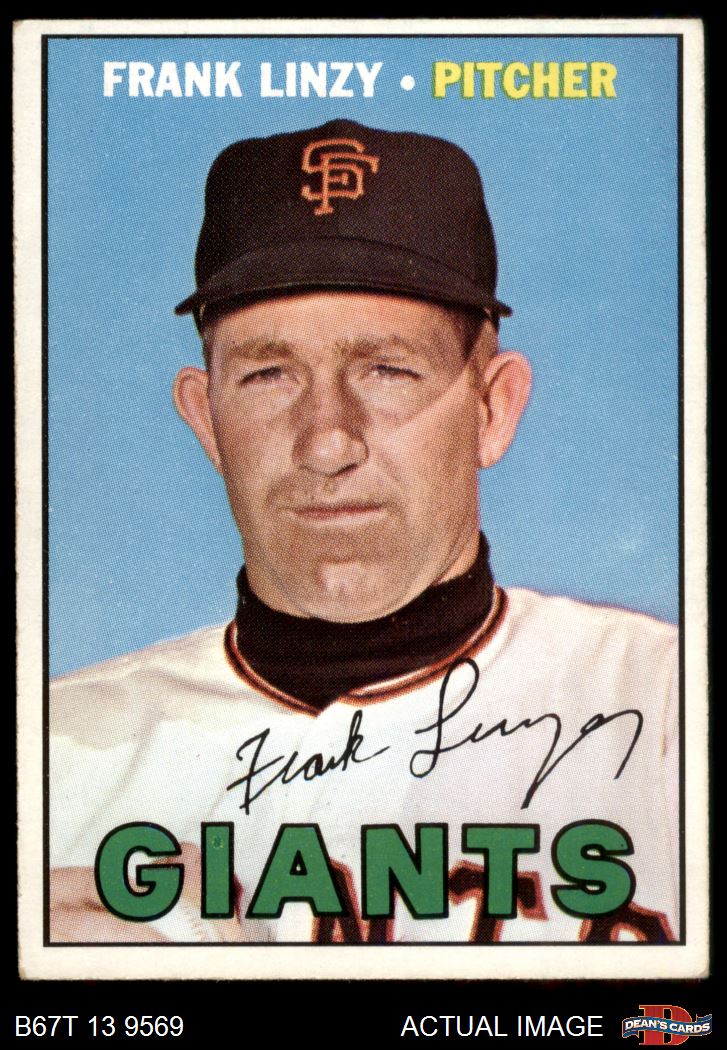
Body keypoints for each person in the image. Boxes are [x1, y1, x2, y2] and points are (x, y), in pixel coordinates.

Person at [49, 119, 678, 945]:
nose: (327, 442)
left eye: (387, 370)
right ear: (206, 420)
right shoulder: (52, 756)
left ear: (492, 409)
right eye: (268, 374)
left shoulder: (666, 711)